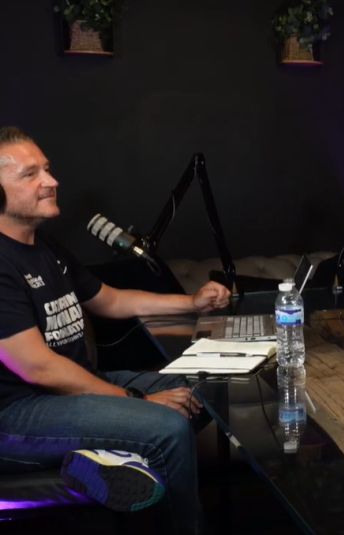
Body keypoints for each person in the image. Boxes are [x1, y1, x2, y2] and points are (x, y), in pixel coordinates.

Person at [0, 127, 231, 532]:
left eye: (48, 170)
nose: (51, 182)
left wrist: (191, 301)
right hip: (17, 414)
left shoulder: (45, 247)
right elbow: (37, 368)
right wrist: (133, 401)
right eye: (30, 174)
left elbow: (111, 300)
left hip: (73, 390)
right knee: (168, 425)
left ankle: (109, 455)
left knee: (208, 383)